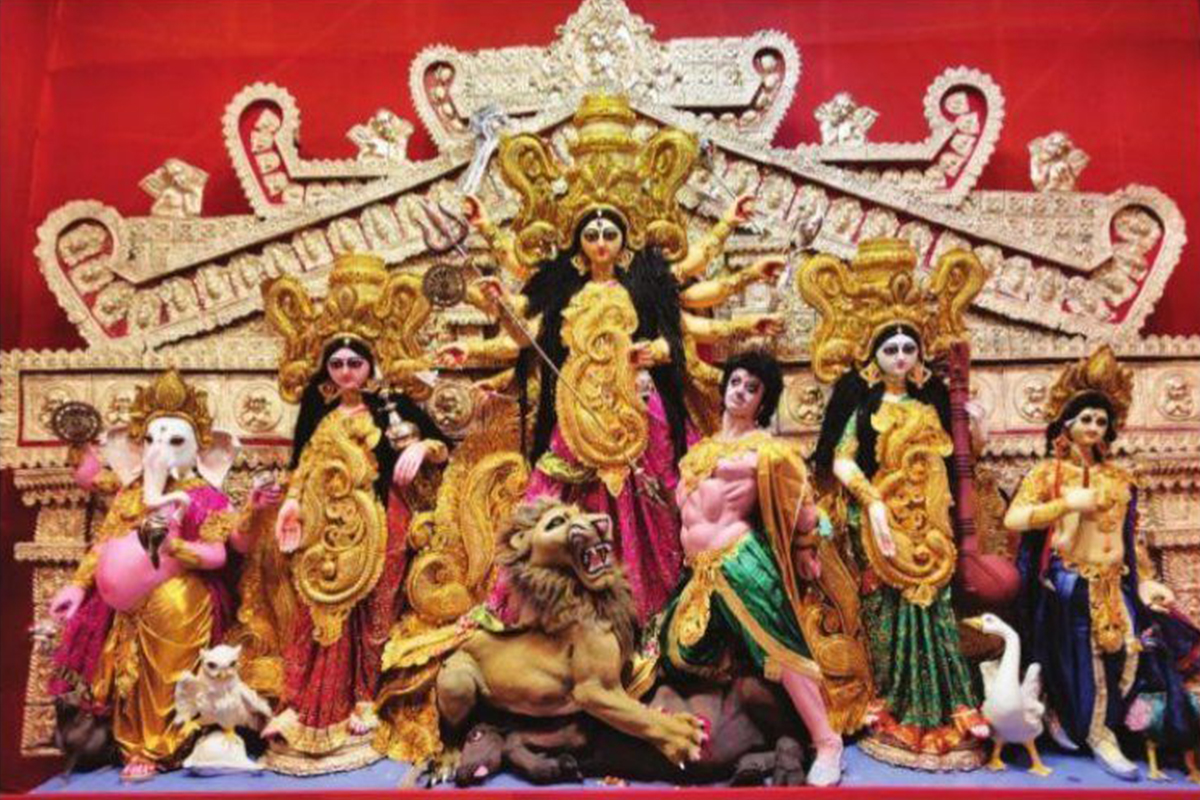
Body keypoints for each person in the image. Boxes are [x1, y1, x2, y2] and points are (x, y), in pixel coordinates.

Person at [439, 93, 782, 622]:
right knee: (554, 495)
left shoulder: (644, 286)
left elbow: (684, 325)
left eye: (610, 233)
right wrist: (475, 336)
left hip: (638, 410)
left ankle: (654, 611)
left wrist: (666, 344)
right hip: (577, 410)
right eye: (592, 234)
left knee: (655, 504)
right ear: (580, 242)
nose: (601, 241)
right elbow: (521, 339)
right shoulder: (563, 292)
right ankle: (550, 610)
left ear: (623, 241)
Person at [258, 253, 449, 773]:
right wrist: (291, 504)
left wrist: (420, 448)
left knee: (375, 608)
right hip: (323, 526)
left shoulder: (390, 408)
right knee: (313, 609)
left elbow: (441, 447)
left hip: (381, 517)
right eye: (337, 363)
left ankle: (365, 696)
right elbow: (302, 465)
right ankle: (301, 702)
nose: (345, 372)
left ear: (370, 364)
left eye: (354, 363)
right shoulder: (318, 412)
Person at [803, 239, 989, 769]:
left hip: (931, 523)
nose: (902, 357)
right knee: (887, 612)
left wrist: (974, 420)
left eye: (910, 348)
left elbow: (962, 455)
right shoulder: (861, 403)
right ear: (875, 354)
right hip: (880, 520)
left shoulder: (932, 400)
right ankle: (894, 709)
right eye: (892, 349)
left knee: (935, 610)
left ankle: (949, 709)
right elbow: (841, 460)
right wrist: (873, 504)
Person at [659, 350, 871, 786]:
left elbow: (802, 506)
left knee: (781, 650)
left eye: (752, 388)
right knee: (674, 649)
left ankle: (827, 742)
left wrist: (806, 548)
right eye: (736, 382)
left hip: (739, 560)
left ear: (763, 400)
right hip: (697, 571)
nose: (740, 392)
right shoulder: (703, 449)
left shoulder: (768, 451)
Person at [45, 370, 256, 781]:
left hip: (180, 601)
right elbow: (106, 542)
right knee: (133, 676)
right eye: (152, 440)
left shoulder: (206, 496)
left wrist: (175, 547)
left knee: (167, 674)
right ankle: (133, 742)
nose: (160, 451)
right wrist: (77, 584)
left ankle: (161, 745)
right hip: (127, 608)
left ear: (200, 449)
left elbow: (218, 555)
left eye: (175, 441)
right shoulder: (132, 494)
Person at [1006, 345, 1199, 780]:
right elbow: (1014, 519)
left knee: (1130, 652)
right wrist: (1064, 504)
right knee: (1087, 660)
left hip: (1118, 581)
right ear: (1066, 424)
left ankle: (1106, 723)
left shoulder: (1119, 477)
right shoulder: (1048, 474)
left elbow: (1131, 538)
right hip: (1073, 582)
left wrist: (1146, 580)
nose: (1093, 427)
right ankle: (1097, 733)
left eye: (1100, 420)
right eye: (1085, 419)